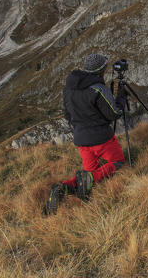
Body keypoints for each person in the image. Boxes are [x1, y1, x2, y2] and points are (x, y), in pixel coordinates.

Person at [44, 53, 126, 215]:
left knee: (89, 173)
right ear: (102, 69)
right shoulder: (98, 89)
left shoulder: (69, 88)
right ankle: (90, 180)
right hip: (102, 138)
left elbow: (68, 114)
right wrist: (121, 97)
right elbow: (115, 113)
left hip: (81, 140)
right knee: (118, 163)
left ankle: (65, 186)